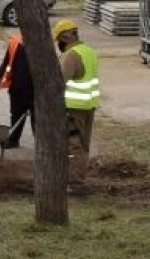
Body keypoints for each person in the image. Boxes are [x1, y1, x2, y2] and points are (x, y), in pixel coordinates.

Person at [54, 18, 100, 194]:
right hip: (89, 105)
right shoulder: (89, 51)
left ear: (65, 37)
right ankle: (78, 177)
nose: (59, 44)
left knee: (74, 145)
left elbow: (60, 83)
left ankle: (75, 183)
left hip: (74, 108)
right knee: (83, 144)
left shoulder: (71, 55)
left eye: (59, 39)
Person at [0, 34, 34, 149]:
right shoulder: (15, 42)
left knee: (38, 118)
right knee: (16, 115)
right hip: (18, 87)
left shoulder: (40, 43)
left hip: (36, 89)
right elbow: (7, 60)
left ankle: (41, 141)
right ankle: (13, 140)